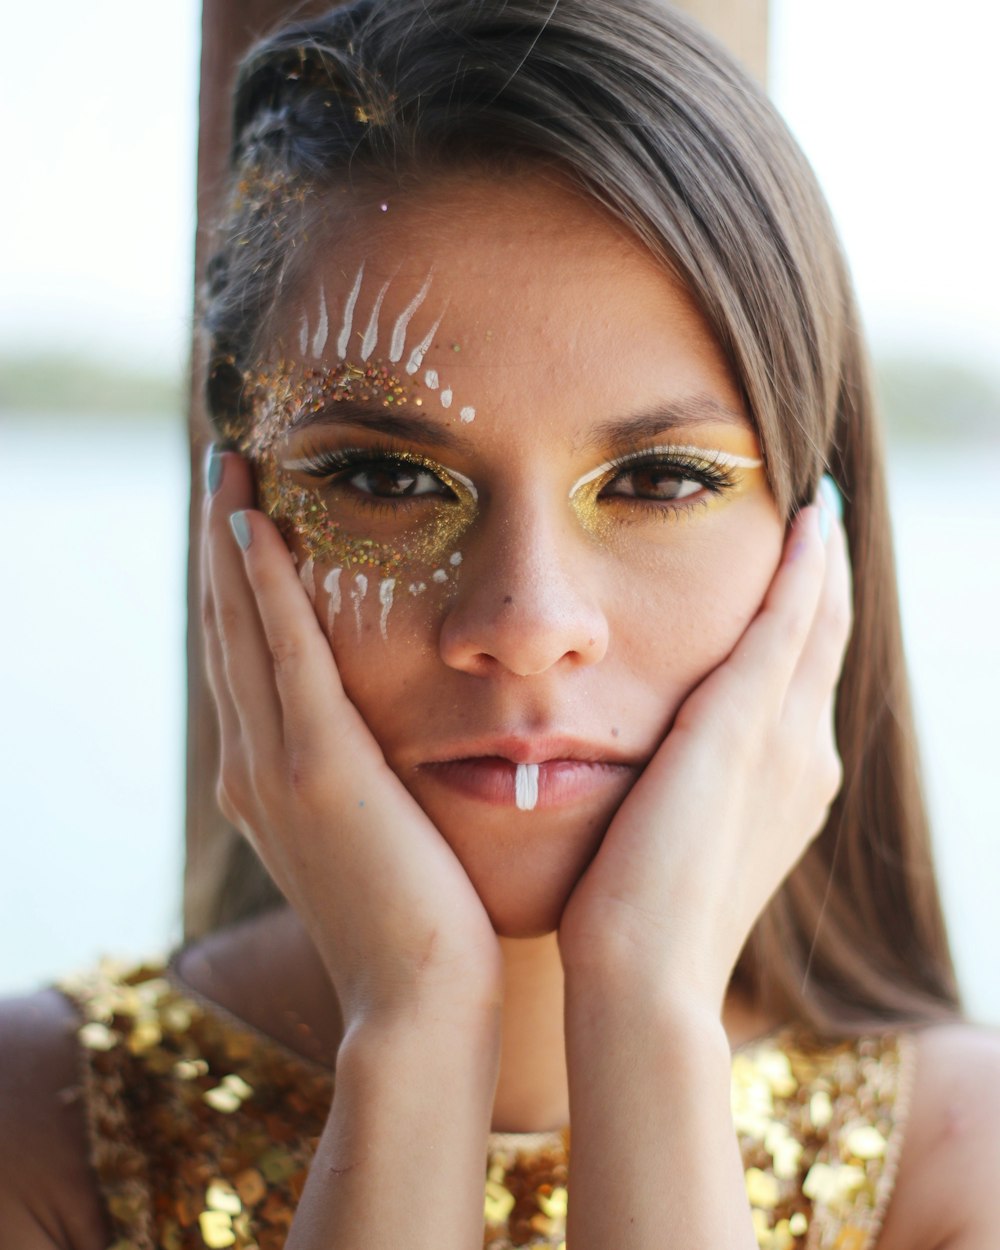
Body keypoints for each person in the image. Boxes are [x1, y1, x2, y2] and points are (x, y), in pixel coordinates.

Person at [2, 0, 997, 1246]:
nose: (527, 625)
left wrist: (647, 1016)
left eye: (658, 480)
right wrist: (413, 1028)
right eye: (386, 478)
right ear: (235, 507)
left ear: (815, 533)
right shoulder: (37, 1131)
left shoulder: (962, 1168)